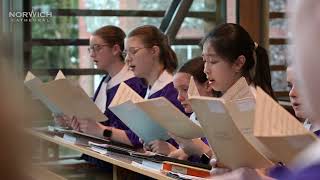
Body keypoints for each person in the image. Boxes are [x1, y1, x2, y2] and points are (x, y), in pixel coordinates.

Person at [55, 25, 147, 169]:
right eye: (90, 49)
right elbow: (98, 123)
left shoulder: (134, 84)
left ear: (116, 49)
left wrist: (98, 129)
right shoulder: (106, 81)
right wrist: (75, 122)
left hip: (120, 164)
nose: (92, 54)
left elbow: (138, 135)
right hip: (98, 156)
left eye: (97, 48)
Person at [124, 25, 187, 155]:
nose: (127, 59)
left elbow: (184, 143)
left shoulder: (173, 92)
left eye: (133, 51)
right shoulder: (149, 89)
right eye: (125, 53)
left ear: (154, 51)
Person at [168, 56, 217, 162]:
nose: (179, 97)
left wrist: (200, 149)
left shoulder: (221, 121)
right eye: (177, 91)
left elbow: (225, 166)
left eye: (185, 89)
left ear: (208, 86)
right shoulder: (194, 117)